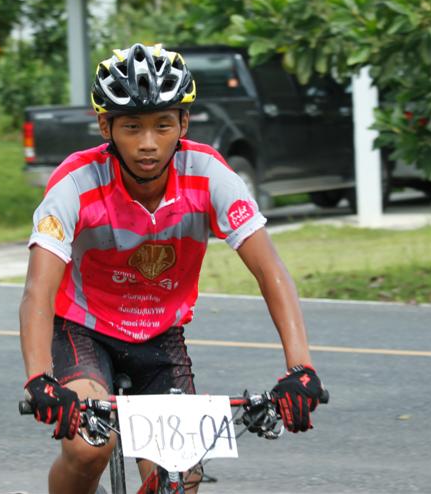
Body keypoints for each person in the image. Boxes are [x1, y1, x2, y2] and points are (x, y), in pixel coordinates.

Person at [19, 43, 325, 494]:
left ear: (183, 123)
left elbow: (270, 271)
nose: (148, 143)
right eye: (131, 127)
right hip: (84, 330)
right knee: (89, 447)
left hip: (160, 336)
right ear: (105, 126)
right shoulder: (76, 182)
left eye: (162, 125)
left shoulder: (209, 174)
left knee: (183, 475)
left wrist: (301, 368)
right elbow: (38, 291)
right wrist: (39, 378)